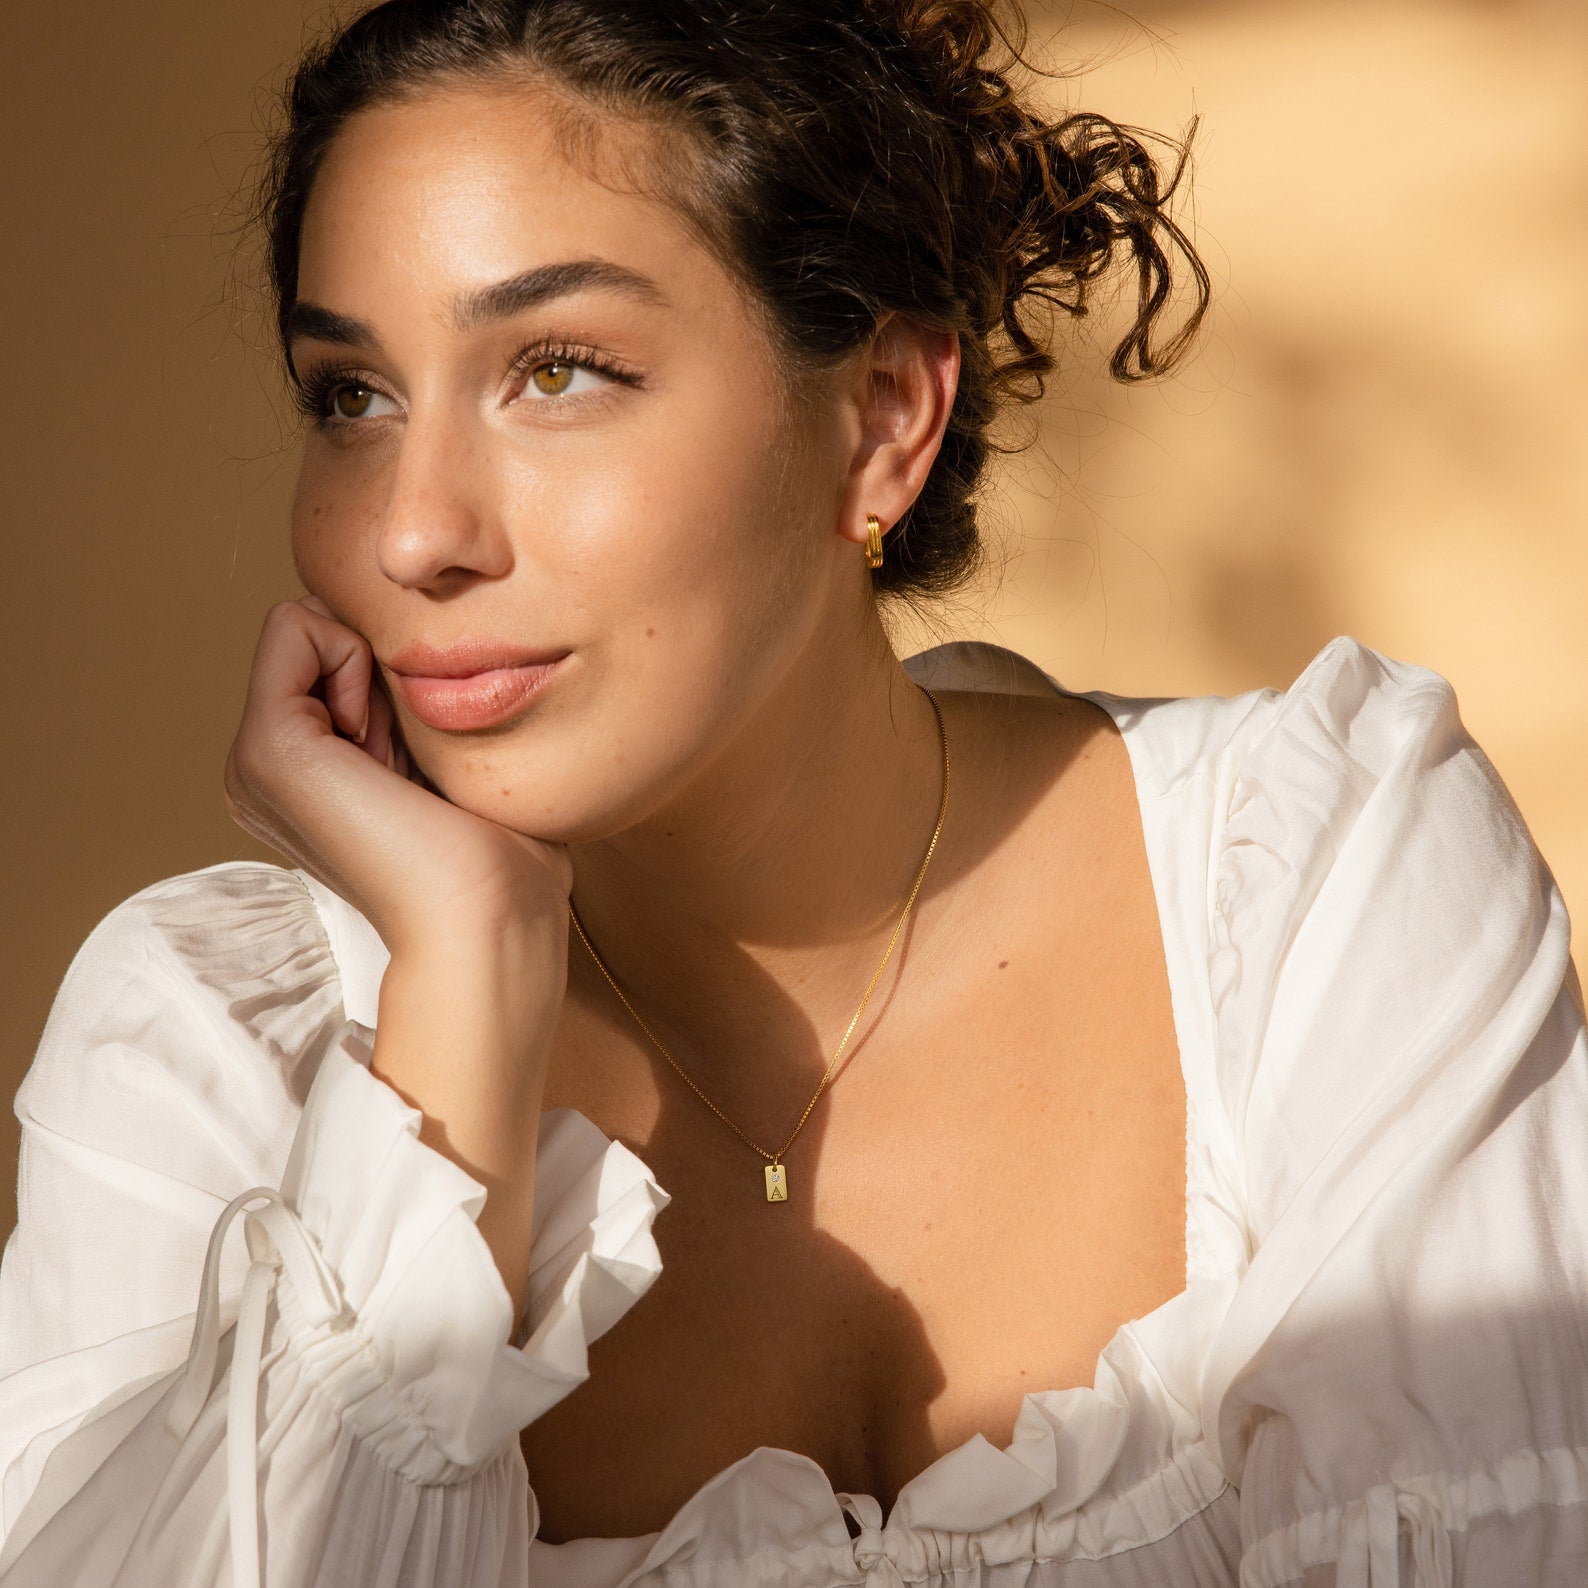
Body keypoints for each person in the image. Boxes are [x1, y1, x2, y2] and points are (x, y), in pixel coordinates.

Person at [1, 0, 1585, 1583]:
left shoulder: (1319, 883)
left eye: (557, 371)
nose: (414, 535)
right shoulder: (219, 1051)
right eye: (352, 395)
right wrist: (464, 987)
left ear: (884, 416)